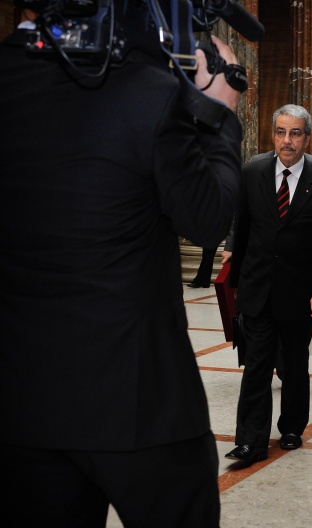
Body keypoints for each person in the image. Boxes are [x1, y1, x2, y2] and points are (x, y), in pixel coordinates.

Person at [0, 2, 244, 525]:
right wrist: (217, 113)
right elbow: (206, 218)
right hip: (139, 404)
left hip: (21, 401)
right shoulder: (146, 93)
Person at [226, 105, 312, 465]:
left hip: (301, 293)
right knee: (257, 366)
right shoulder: (253, 172)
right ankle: (250, 440)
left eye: (294, 133)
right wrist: (237, 282)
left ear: (307, 137)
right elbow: (241, 231)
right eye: (280, 132)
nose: (286, 141)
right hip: (257, 289)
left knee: (293, 364)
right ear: (272, 134)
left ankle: (292, 426)